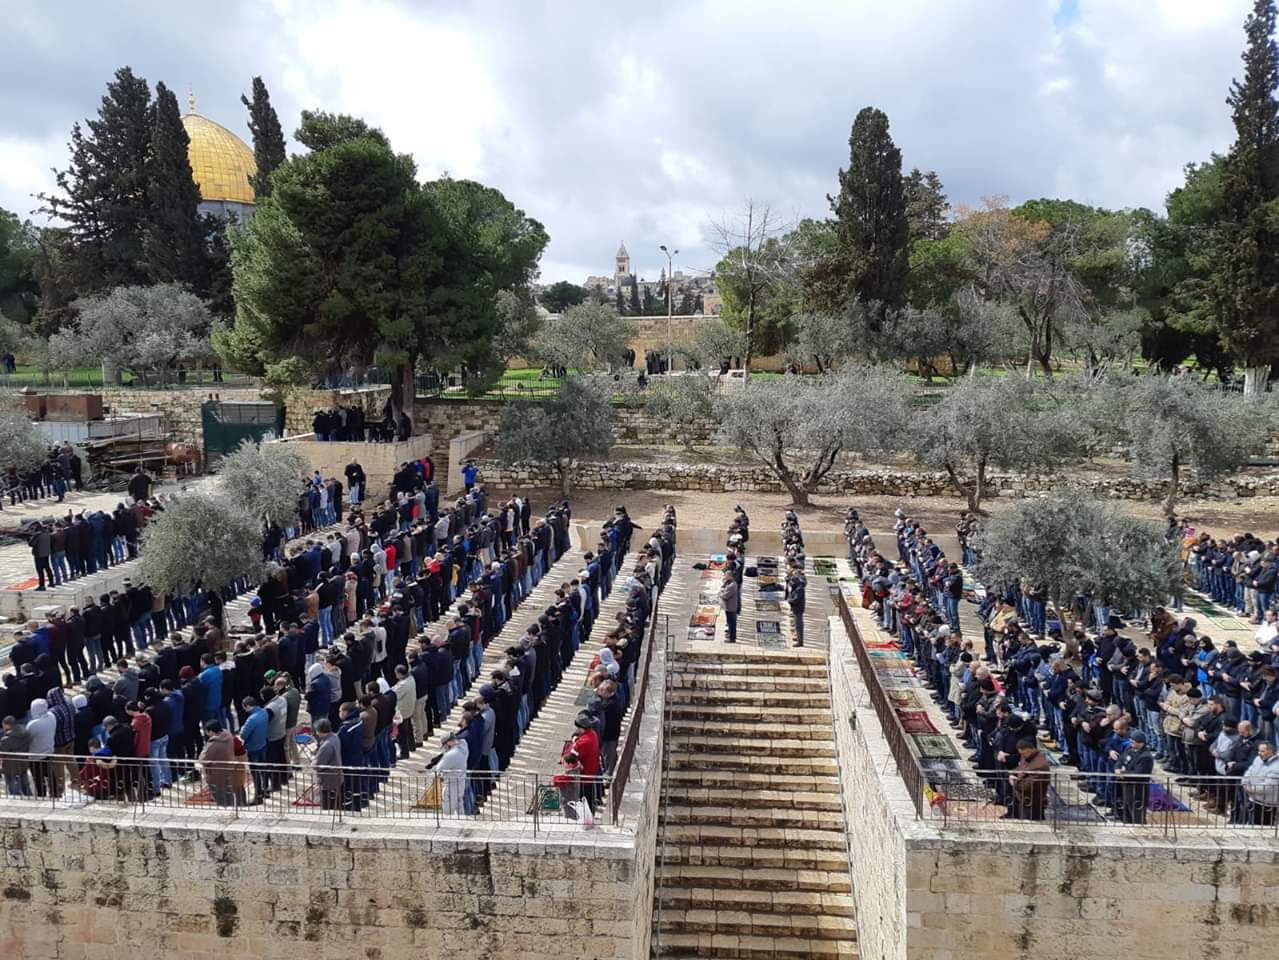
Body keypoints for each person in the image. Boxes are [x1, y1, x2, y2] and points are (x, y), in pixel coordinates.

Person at [1114, 728, 1154, 824]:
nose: (1131, 742)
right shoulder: (1129, 749)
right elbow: (1121, 759)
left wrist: (1123, 774)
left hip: (1137, 790)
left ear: (1141, 743)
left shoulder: (1146, 757)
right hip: (1125, 785)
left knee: (1136, 814)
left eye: (1133, 740)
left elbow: (1138, 773)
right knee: (1126, 811)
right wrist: (1117, 768)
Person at [1008, 737, 1050, 821]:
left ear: (1031, 749)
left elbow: (1029, 786)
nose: (1022, 756)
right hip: (1023, 799)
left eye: (1024, 753)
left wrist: (1014, 782)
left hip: (1033, 802)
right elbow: (1021, 767)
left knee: (1030, 823)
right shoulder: (1027, 757)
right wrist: (1012, 773)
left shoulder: (1039, 766)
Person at [311, 718, 343, 809]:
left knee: (327, 807)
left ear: (320, 731)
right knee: (335, 805)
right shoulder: (335, 737)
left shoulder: (327, 745)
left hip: (328, 781)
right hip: (337, 777)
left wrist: (313, 760)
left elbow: (318, 765)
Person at [719, 569, 740, 644]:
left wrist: (720, 594)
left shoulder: (732, 585)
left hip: (731, 607)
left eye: (726, 575)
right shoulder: (730, 582)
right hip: (729, 607)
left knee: (732, 623)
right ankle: (730, 635)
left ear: (729, 576)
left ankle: (732, 638)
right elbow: (724, 586)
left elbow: (725, 596)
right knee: (729, 622)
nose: (724, 576)